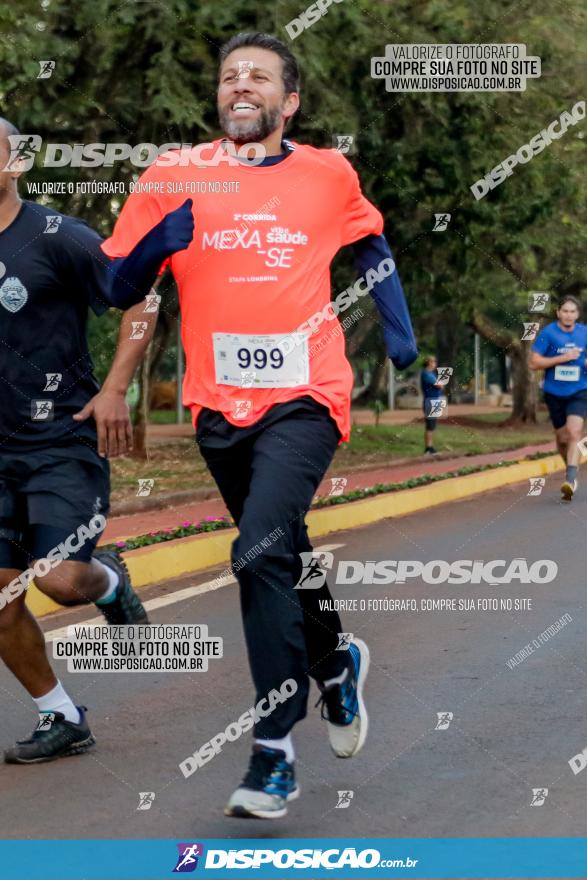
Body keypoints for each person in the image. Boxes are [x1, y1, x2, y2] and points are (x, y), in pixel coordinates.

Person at [100, 32, 418, 819]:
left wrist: (397, 326)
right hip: (219, 406)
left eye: (259, 77)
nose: (240, 86)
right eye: (229, 76)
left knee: (257, 553)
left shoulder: (326, 173)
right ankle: (336, 661)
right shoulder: (173, 175)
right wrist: (151, 257)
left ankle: (273, 749)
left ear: (290, 102)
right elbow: (114, 283)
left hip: (307, 394)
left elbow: (371, 238)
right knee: (282, 552)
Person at [0, 118, 152, 764]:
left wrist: (115, 388)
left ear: (13, 165)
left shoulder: (57, 238)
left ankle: (108, 581)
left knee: (61, 579)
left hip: (61, 442)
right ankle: (61, 716)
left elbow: (140, 299)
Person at [530, 295, 587, 500]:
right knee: (562, 438)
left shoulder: (584, 332)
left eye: (573, 312)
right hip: (554, 392)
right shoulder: (548, 334)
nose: (569, 315)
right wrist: (563, 358)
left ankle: (571, 479)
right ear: (558, 313)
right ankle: (569, 470)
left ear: (577, 314)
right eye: (565, 311)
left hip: (580, 390)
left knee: (574, 432)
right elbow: (534, 363)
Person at [420, 356, 444, 454]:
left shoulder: (431, 374)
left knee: (432, 426)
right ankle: (428, 449)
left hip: (434, 401)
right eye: (433, 361)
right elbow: (440, 385)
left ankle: (430, 447)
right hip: (430, 401)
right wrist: (441, 384)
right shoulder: (427, 374)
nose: (435, 363)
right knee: (430, 426)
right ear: (429, 363)